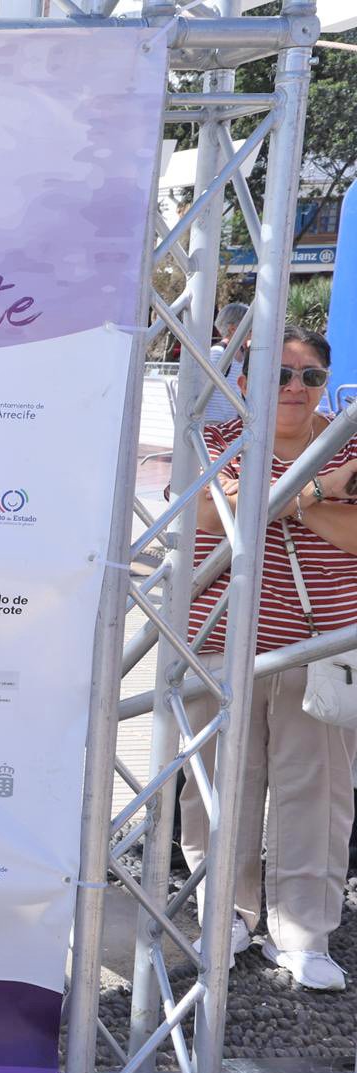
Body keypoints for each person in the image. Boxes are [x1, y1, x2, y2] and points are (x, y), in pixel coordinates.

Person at [183, 325, 357, 990]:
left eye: (309, 376)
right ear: (248, 378)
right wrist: (318, 492)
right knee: (216, 790)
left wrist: (266, 505)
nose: (294, 387)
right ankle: (219, 914)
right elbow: (202, 517)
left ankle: (304, 933)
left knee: (318, 794)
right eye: (280, 373)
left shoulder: (352, 445)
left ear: (325, 383)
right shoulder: (214, 442)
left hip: (323, 646)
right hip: (217, 642)